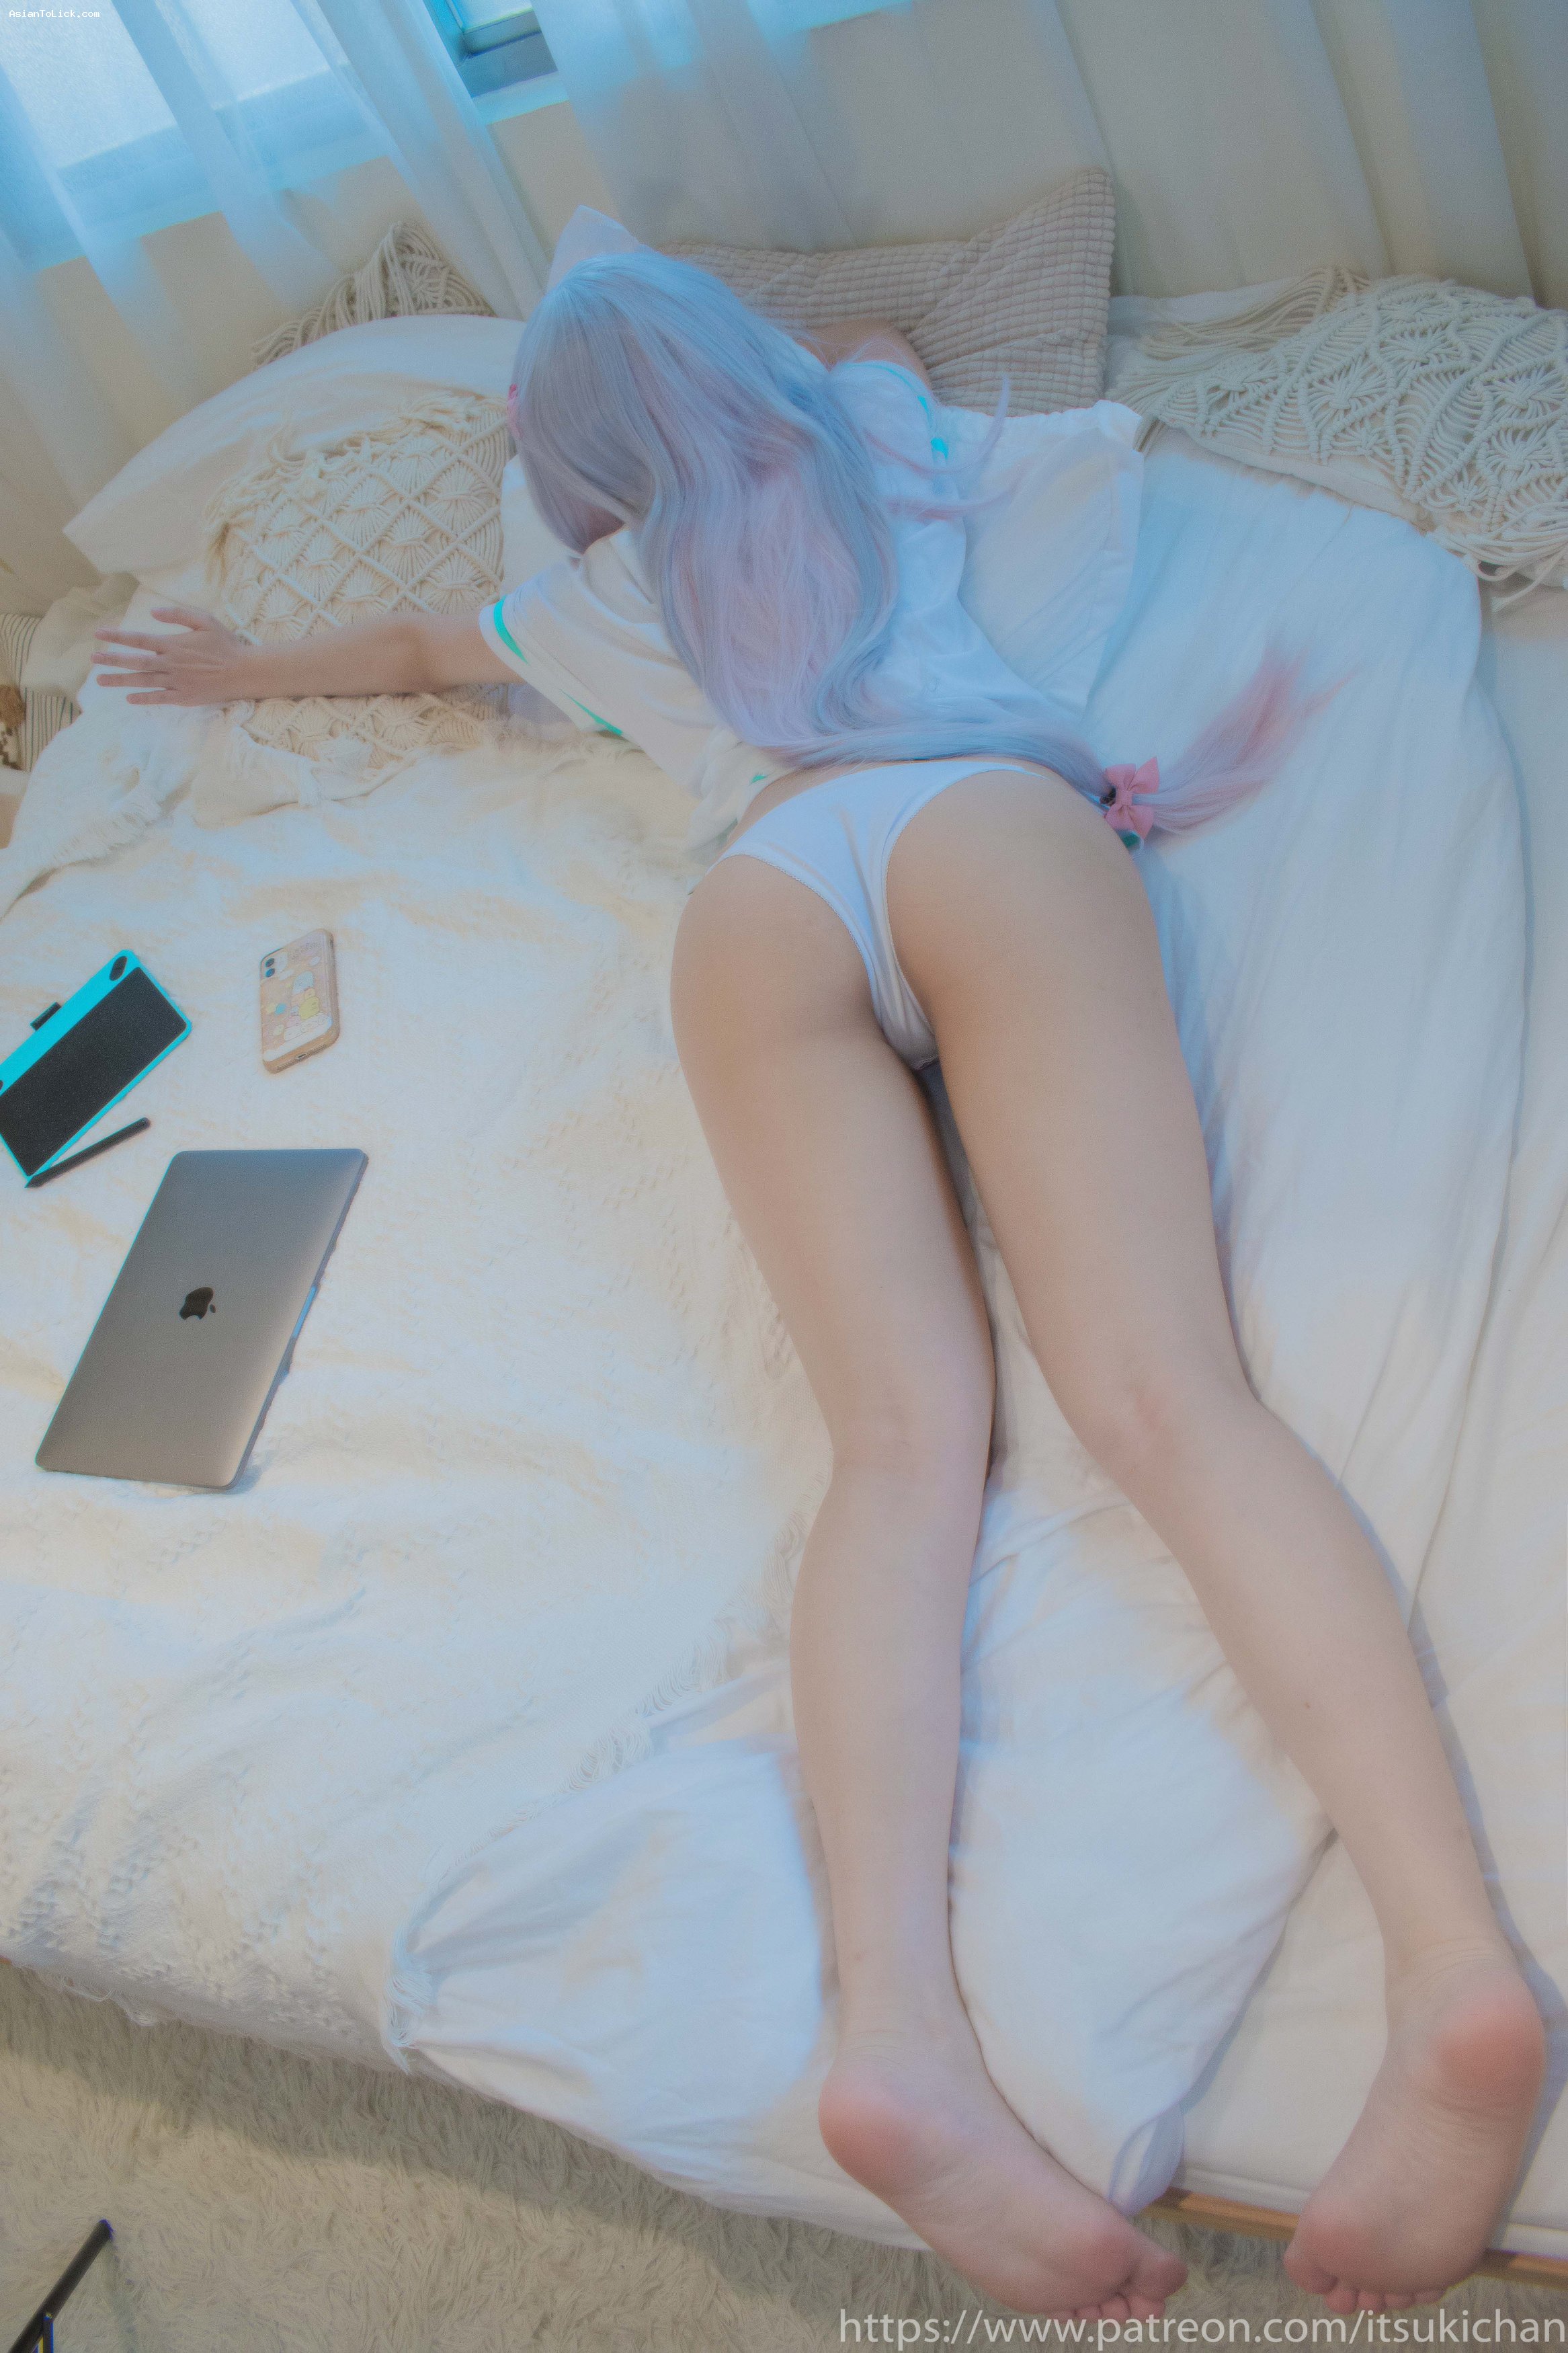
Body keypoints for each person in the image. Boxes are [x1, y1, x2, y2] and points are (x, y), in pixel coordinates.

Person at [94, 244, 1543, 2323]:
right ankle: (1457, 1965)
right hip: (981, 828)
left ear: (572, 473)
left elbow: (424, 639)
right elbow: (866, 346)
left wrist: (240, 667)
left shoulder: (589, 594)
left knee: (898, 1453)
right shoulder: (869, 436)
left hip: (766, 898)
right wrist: (760, 367)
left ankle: (899, 2040)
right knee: (1170, 1403)